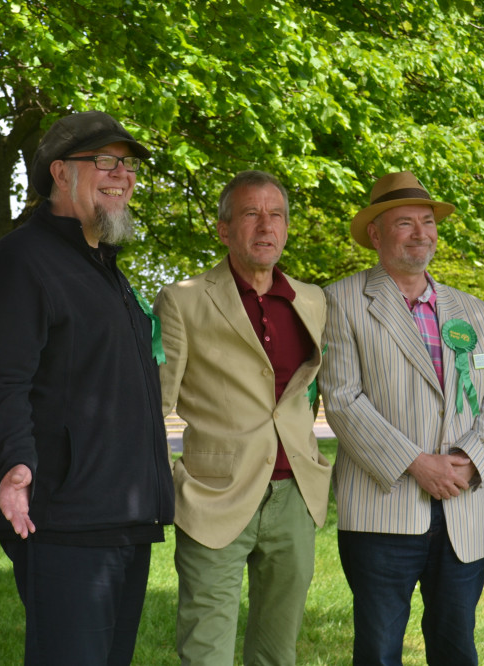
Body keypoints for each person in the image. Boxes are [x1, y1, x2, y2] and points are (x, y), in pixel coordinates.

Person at [0, 110, 175, 665]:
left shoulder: (104, 266)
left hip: (124, 515)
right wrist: (13, 465)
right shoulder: (21, 261)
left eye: (128, 164)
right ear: (60, 172)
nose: (122, 174)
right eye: (105, 160)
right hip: (65, 519)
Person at [318, 171, 484, 665]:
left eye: (427, 222)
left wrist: (471, 458)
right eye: (404, 223)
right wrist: (416, 462)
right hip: (383, 510)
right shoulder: (341, 301)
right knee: (380, 651)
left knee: (456, 647)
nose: (421, 233)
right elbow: (342, 399)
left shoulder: (473, 311)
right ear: (377, 235)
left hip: (464, 514)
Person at [154, 170, 332, 665]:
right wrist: (172, 482)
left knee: (278, 650)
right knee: (206, 647)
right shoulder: (183, 300)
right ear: (224, 228)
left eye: (276, 215)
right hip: (214, 496)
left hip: (293, 495)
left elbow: (305, 392)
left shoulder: (312, 300)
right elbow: (155, 405)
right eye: (251, 214)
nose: (265, 226)